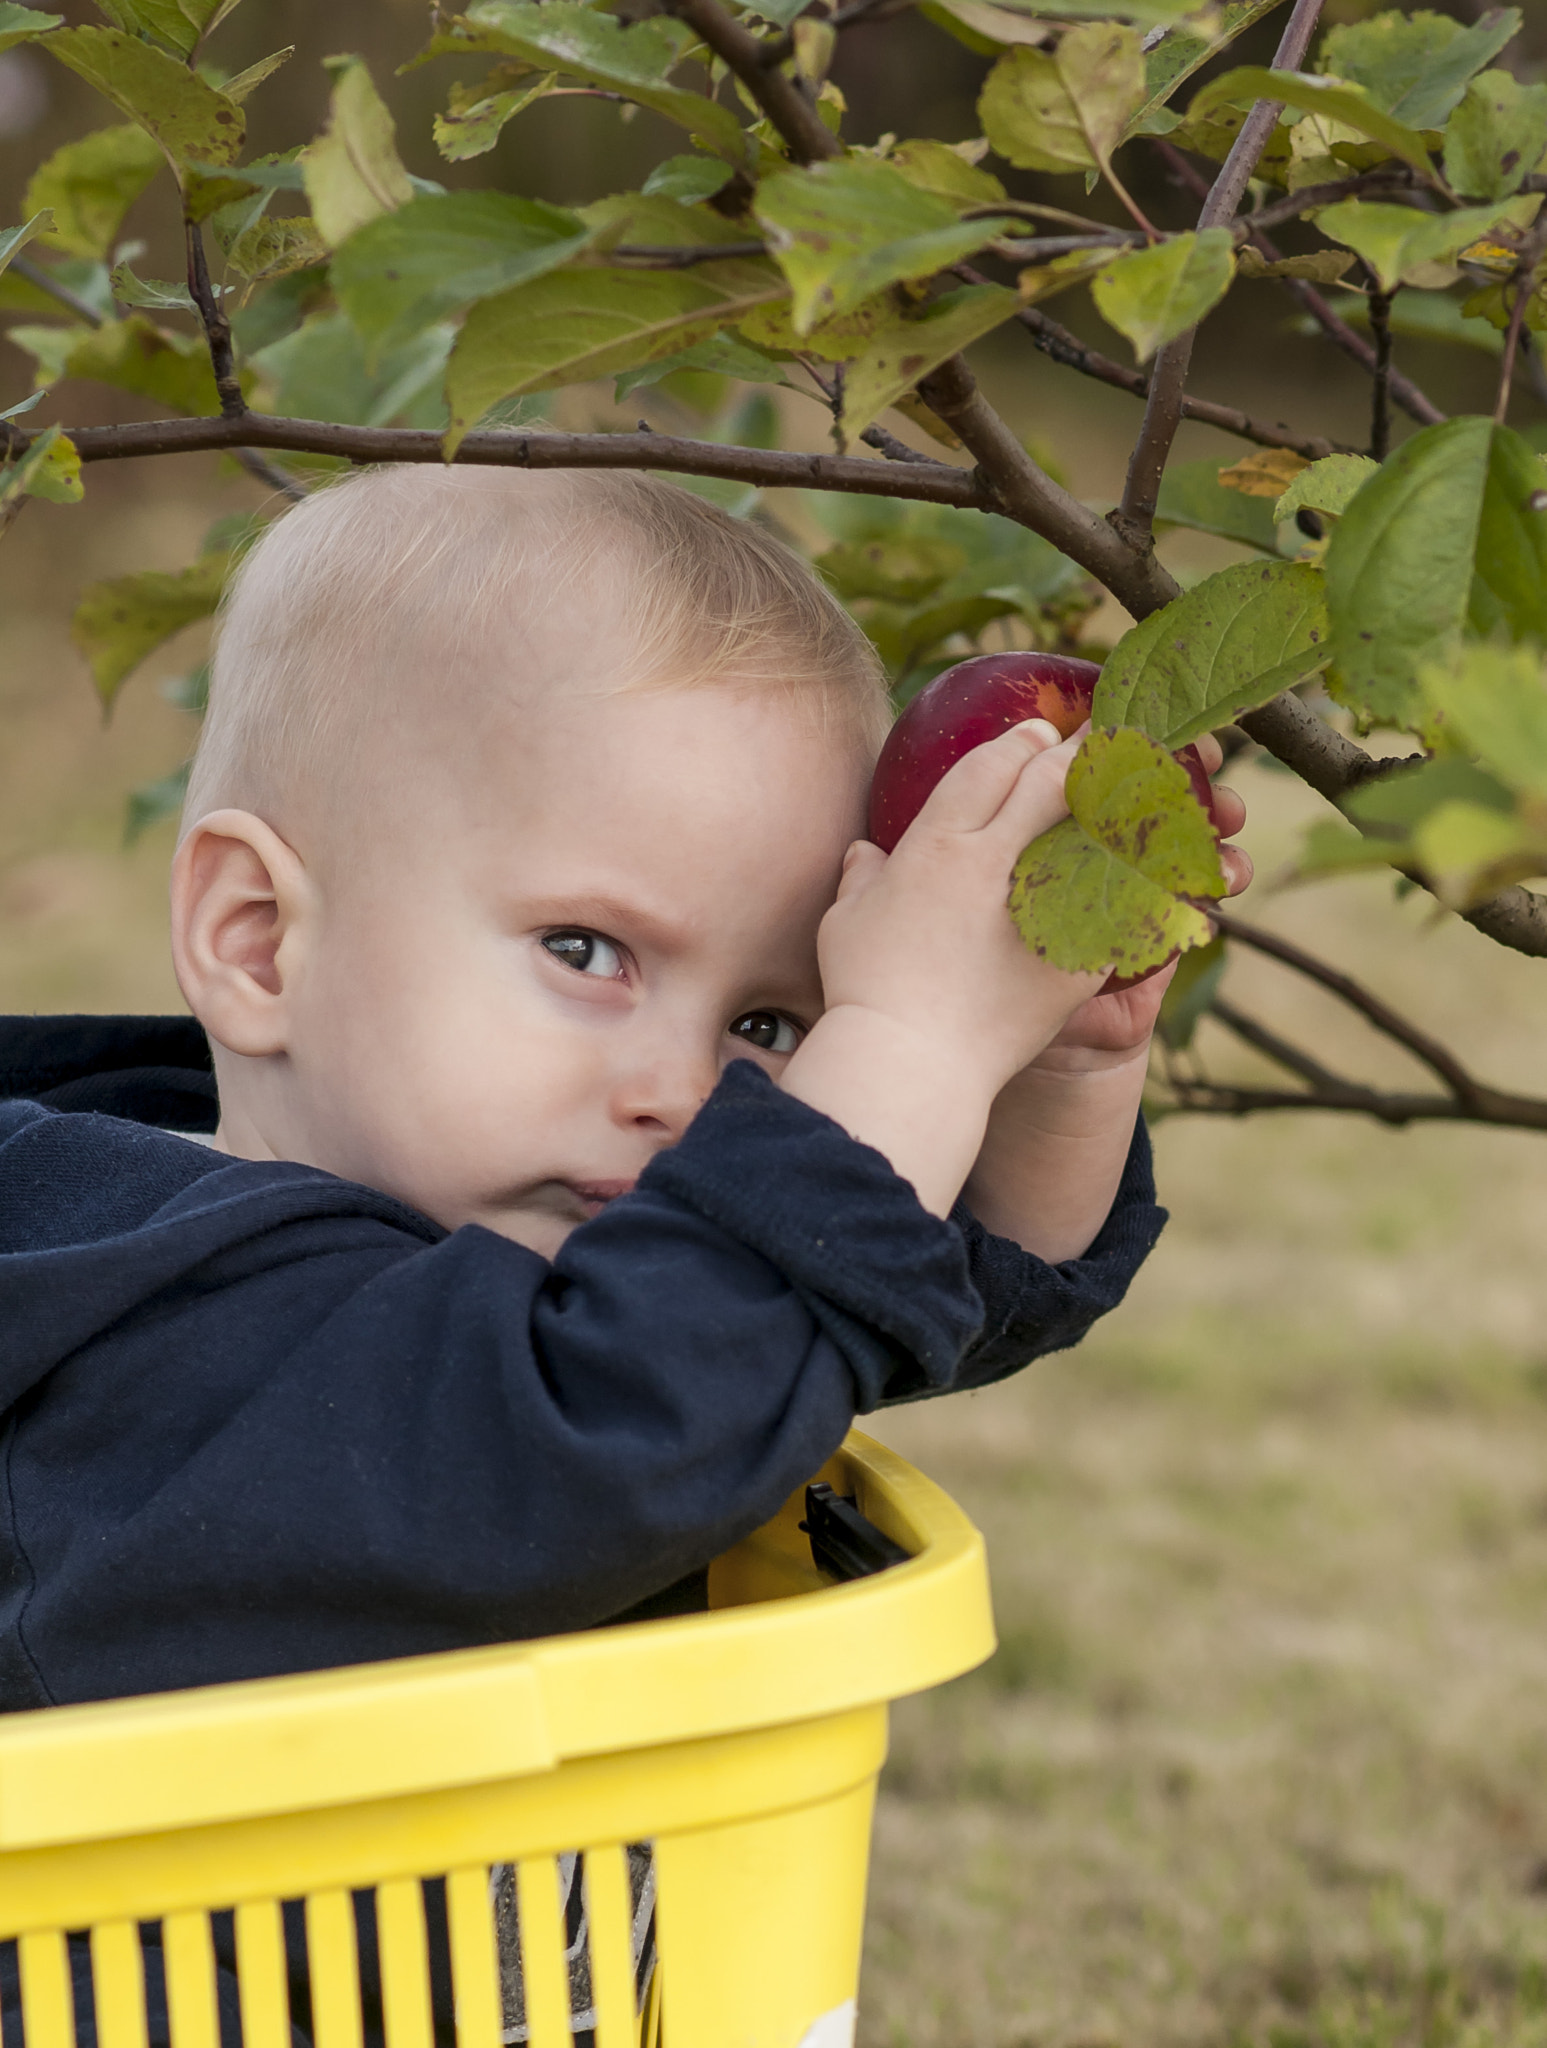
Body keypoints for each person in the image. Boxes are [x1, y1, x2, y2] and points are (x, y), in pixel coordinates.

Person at [0, 465, 1249, 1716]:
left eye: (766, 1022)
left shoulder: (570, 1267)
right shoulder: (155, 1321)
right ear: (259, 936)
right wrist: (908, 1041)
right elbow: (628, 1418)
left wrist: (1050, 1060)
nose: (683, 1093)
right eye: (586, 951)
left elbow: (897, 1275)